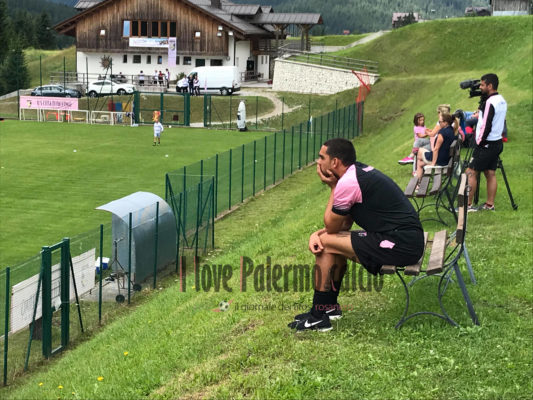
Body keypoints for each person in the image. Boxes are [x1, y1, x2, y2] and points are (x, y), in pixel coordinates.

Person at [288, 138, 424, 332]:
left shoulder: (347, 182)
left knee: (325, 243)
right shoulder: (356, 172)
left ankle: (318, 317)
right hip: (404, 240)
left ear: (334, 162)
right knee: (330, 244)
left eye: (321, 157)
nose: (318, 162)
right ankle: (327, 308)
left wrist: (333, 188)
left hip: (401, 244)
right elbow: (343, 225)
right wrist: (316, 233)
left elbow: (331, 226)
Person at [466, 73, 507, 212]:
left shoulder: (490, 102)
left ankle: (467, 205)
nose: (480, 87)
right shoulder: (502, 100)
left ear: (490, 86)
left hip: (486, 143)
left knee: (471, 172)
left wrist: (480, 141)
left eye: (483, 85)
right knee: (490, 173)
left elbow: (486, 125)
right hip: (497, 142)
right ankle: (490, 205)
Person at [415, 112, 456, 180]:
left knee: (419, 152)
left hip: (440, 160)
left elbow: (436, 149)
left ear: (445, 123)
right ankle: (419, 181)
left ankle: (418, 181)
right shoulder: (451, 129)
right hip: (447, 159)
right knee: (420, 162)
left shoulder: (442, 133)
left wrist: (433, 164)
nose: (439, 123)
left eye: (440, 122)